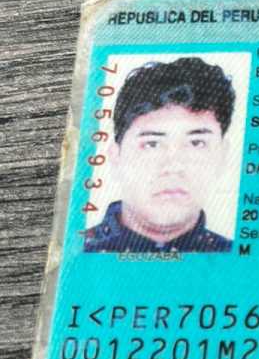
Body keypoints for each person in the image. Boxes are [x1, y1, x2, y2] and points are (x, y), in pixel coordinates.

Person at [84, 57, 235, 253]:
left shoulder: (242, 259)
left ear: (222, 156)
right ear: (115, 157)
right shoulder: (76, 250)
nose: (174, 167)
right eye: (152, 144)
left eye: (196, 143)